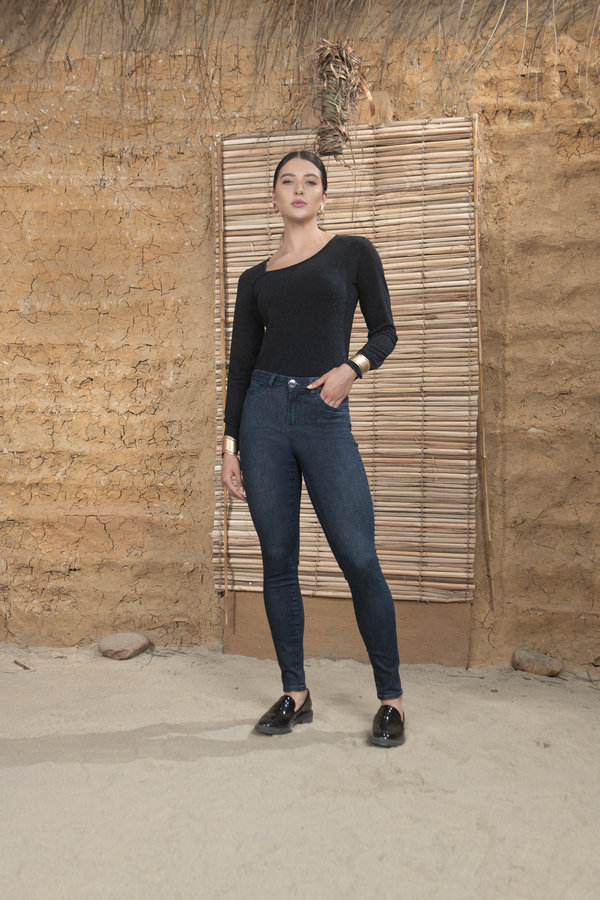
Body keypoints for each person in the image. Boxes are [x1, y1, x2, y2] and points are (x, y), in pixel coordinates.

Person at [221, 149, 405, 747]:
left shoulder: (353, 253)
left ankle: (391, 700)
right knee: (278, 559)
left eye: (310, 181)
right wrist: (230, 446)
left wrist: (352, 368)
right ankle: (295, 693)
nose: (298, 189)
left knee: (358, 557)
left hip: (323, 412)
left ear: (324, 195)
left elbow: (385, 332)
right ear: (274, 196)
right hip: (263, 416)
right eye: (287, 181)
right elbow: (240, 368)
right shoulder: (254, 279)